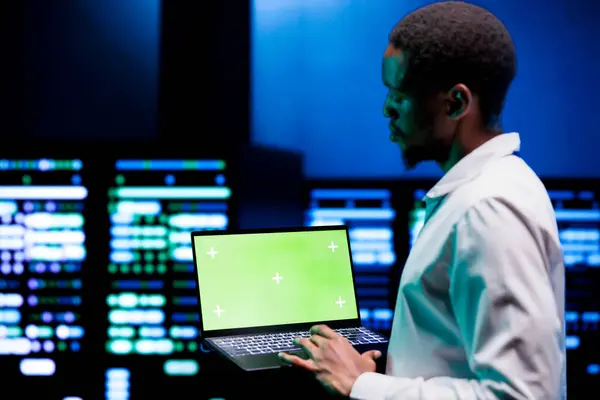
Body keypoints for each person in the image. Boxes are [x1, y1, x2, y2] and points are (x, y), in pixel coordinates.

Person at [279, 2, 566, 399]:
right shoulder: (479, 191)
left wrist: (361, 385)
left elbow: (520, 395)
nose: (386, 109)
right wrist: (375, 376)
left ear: (456, 103)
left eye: (398, 94)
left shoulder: (487, 208)